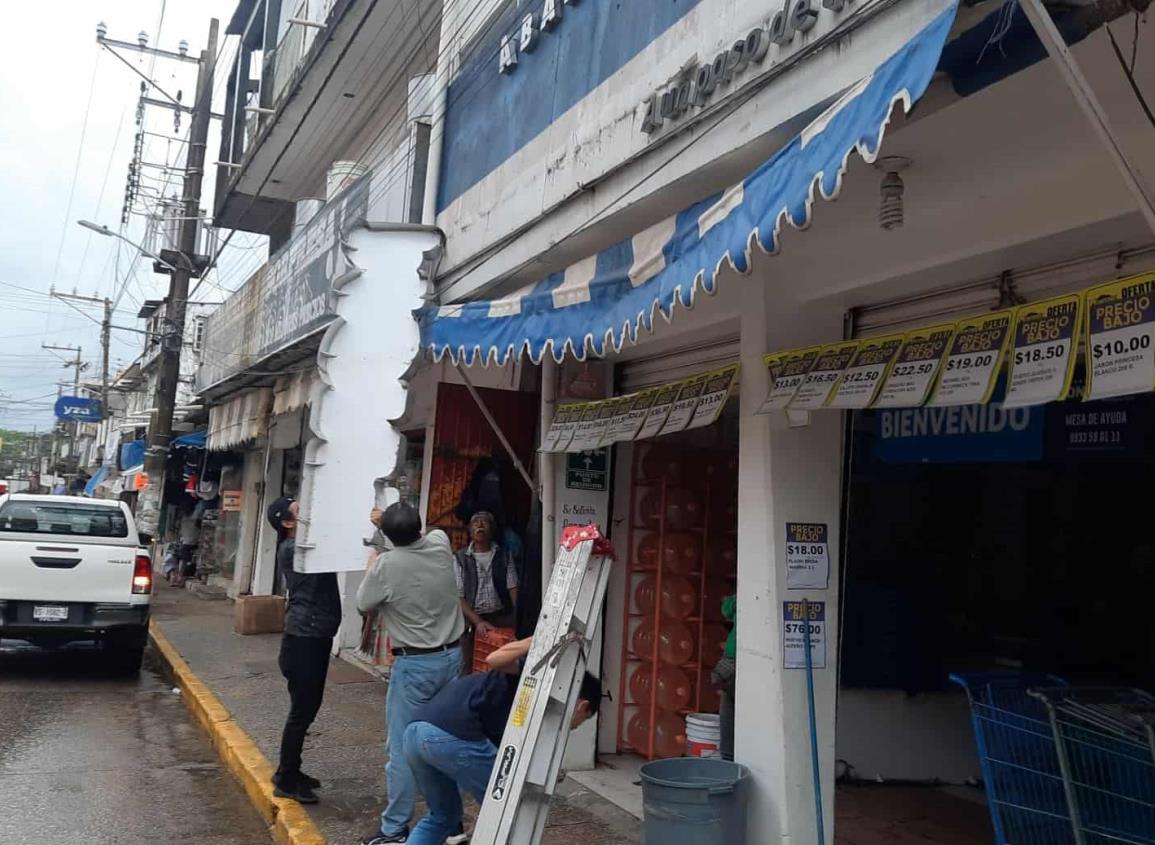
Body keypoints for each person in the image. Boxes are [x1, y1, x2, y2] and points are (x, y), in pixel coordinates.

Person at [401, 637, 602, 845]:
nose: (576, 726)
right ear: (583, 706)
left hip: (415, 734)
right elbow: (494, 658)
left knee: (444, 816)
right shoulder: (538, 677)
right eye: (583, 720)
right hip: (448, 737)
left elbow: (507, 751)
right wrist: (545, 637)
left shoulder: (533, 704)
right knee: (507, 810)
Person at [357, 503, 466, 845]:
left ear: (389, 536)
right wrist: (387, 526)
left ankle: (394, 828)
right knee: (442, 741)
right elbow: (426, 531)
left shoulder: (386, 566)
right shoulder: (439, 544)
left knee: (404, 748)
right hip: (452, 658)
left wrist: (374, 557)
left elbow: (363, 603)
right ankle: (452, 822)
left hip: (415, 666)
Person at [268, 496, 341, 804]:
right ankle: (286, 778)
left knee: (306, 710)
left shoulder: (303, 545)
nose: (308, 513)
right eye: (299, 511)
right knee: (302, 712)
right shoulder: (295, 549)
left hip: (310, 638)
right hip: (304, 641)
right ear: (287, 522)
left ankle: (291, 770)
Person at [456, 510, 520, 674]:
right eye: (475, 522)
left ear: (492, 530)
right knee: (470, 667)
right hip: (472, 621)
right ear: (470, 530)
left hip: (500, 618)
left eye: (484, 522)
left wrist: (516, 618)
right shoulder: (460, 558)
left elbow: (512, 588)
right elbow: (459, 596)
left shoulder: (504, 555)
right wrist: (477, 622)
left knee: (501, 666)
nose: (479, 525)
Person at [711, 594, 737, 762]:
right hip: (734, 657)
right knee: (729, 705)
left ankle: (728, 756)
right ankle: (728, 756)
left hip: (735, 658)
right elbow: (726, 610)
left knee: (729, 706)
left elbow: (726, 609)